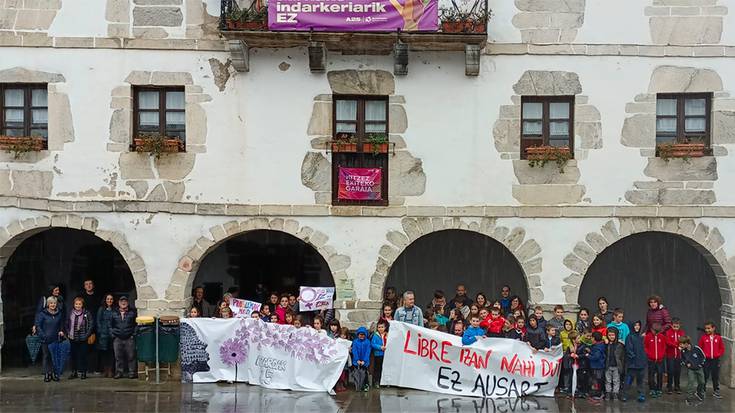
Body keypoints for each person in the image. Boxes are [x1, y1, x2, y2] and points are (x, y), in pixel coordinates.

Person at [34, 295, 64, 382]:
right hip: (45, 339)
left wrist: (61, 331)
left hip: (55, 339)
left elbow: (61, 324)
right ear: (48, 304)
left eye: (54, 303)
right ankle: (47, 374)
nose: (53, 305)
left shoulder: (59, 313)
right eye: (51, 303)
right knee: (46, 356)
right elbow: (38, 326)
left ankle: (54, 374)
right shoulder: (42, 314)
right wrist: (43, 335)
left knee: (55, 357)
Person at [66, 296, 94, 380]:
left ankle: (83, 372)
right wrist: (68, 333)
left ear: (82, 305)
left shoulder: (86, 313)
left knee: (83, 356)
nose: (78, 305)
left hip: (83, 338)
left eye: (79, 304)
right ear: (74, 305)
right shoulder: (71, 313)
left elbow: (91, 325)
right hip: (73, 338)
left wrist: (86, 335)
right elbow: (67, 323)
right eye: (76, 304)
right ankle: (74, 372)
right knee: (73, 356)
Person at [110, 296, 137, 379]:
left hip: (129, 338)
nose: (123, 303)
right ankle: (119, 372)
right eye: (122, 301)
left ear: (127, 303)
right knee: (118, 357)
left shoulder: (132, 313)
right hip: (117, 338)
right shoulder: (114, 313)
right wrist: (113, 335)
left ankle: (132, 372)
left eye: (125, 301)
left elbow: (136, 324)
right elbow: (109, 325)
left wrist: (133, 334)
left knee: (131, 356)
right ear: (119, 303)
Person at [699, 320, 724, 399]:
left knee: (715, 376)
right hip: (706, 360)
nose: (707, 330)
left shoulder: (718, 338)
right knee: (705, 375)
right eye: (706, 328)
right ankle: (702, 390)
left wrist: (718, 354)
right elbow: (700, 349)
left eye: (709, 328)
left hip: (715, 360)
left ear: (713, 328)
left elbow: (722, 348)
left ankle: (716, 391)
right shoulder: (703, 338)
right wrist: (703, 356)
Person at [622, 320, 646, 403]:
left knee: (640, 381)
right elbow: (629, 350)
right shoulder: (629, 337)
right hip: (632, 364)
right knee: (628, 380)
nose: (637, 327)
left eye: (638, 325)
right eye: (635, 325)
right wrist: (633, 358)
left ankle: (641, 395)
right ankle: (624, 395)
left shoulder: (640, 337)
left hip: (641, 364)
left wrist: (643, 360)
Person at [679, 335, 706, 403]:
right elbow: (682, 359)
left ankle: (699, 393)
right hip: (691, 369)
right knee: (691, 382)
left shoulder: (696, 348)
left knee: (702, 382)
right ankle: (689, 397)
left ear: (686, 343)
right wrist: (686, 364)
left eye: (681, 344)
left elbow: (703, 357)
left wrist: (700, 364)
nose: (680, 345)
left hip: (699, 368)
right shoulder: (683, 351)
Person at [644, 322, 666, 398]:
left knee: (660, 374)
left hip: (660, 360)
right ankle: (652, 389)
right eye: (655, 331)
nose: (656, 333)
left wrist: (662, 355)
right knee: (651, 375)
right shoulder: (648, 336)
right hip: (651, 360)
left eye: (658, 332)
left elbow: (664, 347)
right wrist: (648, 354)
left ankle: (659, 389)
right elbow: (645, 346)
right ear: (651, 329)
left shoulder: (662, 337)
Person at [96, 294, 116, 378]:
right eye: (108, 299)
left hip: (112, 334)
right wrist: (100, 332)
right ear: (105, 300)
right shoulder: (101, 309)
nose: (109, 301)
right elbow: (98, 321)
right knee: (104, 353)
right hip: (103, 334)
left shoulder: (115, 310)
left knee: (111, 352)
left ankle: (111, 370)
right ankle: (105, 369)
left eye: (111, 299)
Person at [664, 317, 685, 394]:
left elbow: (683, 341)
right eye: (674, 326)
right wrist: (676, 345)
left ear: (680, 325)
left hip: (678, 356)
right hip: (670, 356)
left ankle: (677, 386)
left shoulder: (681, 333)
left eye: (677, 326)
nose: (676, 328)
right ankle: (669, 386)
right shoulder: (668, 332)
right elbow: (668, 342)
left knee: (677, 371)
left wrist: (683, 345)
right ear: (671, 325)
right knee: (670, 371)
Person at [604, 326, 625, 400]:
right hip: (608, 365)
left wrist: (622, 366)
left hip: (617, 366)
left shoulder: (620, 345)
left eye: (613, 335)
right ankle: (608, 392)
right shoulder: (606, 344)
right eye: (609, 335)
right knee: (608, 380)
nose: (611, 337)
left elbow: (622, 357)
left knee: (616, 381)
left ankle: (615, 393)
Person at [351, 327, 371, 392]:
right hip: (356, 361)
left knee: (365, 374)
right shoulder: (355, 341)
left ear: (365, 335)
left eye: (363, 334)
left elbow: (368, 352)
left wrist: (364, 361)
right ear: (358, 335)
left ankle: (366, 385)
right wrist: (357, 360)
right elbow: (354, 351)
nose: (361, 336)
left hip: (365, 362)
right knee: (356, 373)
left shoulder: (367, 342)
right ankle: (358, 385)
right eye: (360, 334)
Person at [588, 331, 606, 400]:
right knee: (597, 380)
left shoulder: (598, 347)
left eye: (591, 337)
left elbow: (596, 357)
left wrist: (588, 355)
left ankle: (599, 393)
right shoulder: (600, 345)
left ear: (594, 338)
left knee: (598, 380)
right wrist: (590, 351)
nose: (590, 339)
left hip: (598, 366)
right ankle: (597, 393)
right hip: (597, 366)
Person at [371, 320, 388, 388]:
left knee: (384, 368)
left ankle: (384, 382)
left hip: (386, 355)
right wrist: (380, 347)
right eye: (379, 327)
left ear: (385, 327)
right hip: (378, 354)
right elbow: (373, 344)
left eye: (382, 327)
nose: (380, 329)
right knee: (377, 368)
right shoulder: (375, 335)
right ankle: (376, 381)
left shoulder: (387, 334)